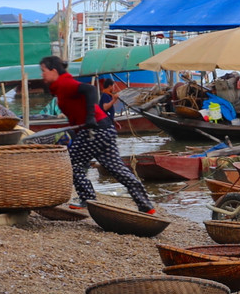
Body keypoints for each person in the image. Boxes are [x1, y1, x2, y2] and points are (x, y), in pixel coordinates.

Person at [38, 55, 155, 214]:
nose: (42, 74)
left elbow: (90, 90)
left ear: (53, 70)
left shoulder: (64, 83)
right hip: (104, 129)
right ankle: (145, 204)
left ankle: (87, 199)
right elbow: (76, 111)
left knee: (72, 164)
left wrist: (90, 117)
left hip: (94, 130)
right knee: (116, 168)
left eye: (43, 71)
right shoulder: (59, 88)